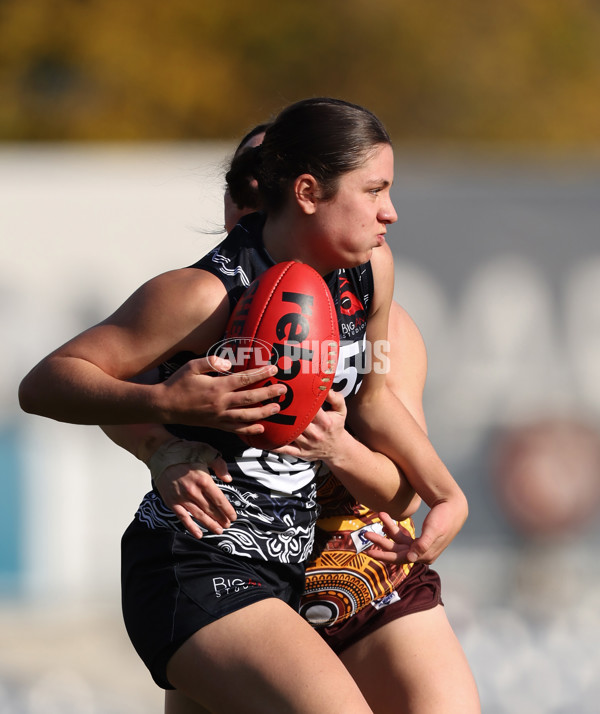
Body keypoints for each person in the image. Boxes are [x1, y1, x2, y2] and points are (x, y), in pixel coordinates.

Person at [19, 98, 472, 713]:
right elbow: (50, 383)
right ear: (305, 192)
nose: (390, 211)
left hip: (337, 565)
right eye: (374, 191)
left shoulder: (368, 276)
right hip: (202, 557)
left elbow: (385, 437)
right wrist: (166, 418)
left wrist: (446, 491)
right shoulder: (204, 294)